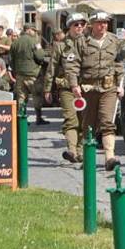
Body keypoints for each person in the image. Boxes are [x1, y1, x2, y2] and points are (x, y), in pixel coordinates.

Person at [65, 11, 125, 171]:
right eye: (99, 23)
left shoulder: (113, 41)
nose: (103, 25)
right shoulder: (81, 41)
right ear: (92, 24)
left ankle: (110, 157)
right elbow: (72, 65)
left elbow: (119, 63)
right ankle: (88, 158)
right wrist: (74, 85)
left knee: (107, 122)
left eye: (105, 22)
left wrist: (121, 84)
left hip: (108, 87)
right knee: (88, 124)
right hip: (88, 88)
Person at [44, 13, 87, 163]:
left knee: (84, 121)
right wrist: (47, 89)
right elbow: (52, 68)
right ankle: (72, 150)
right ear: (69, 27)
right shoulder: (60, 46)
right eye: (76, 24)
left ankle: (81, 151)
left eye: (82, 24)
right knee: (71, 119)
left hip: (86, 88)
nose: (79, 27)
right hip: (67, 88)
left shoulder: (90, 44)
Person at [10, 24, 48, 125]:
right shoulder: (35, 42)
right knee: (37, 95)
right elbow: (40, 56)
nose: (35, 32)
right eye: (34, 30)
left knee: (21, 97)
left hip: (20, 74)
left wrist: (16, 70)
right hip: (33, 73)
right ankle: (39, 118)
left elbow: (11, 60)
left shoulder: (15, 43)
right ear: (29, 30)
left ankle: (22, 119)